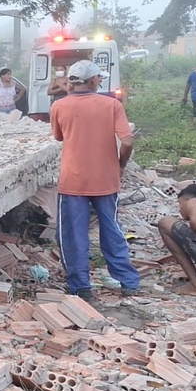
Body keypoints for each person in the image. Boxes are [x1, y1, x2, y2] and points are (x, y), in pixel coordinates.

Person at [50, 59, 139, 299]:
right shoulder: (112, 105)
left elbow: (58, 137)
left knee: (73, 234)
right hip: (106, 178)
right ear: (91, 80)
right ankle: (128, 281)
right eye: (99, 77)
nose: (100, 80)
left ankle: (81, 286)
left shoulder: (59, 105)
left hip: (73, 181)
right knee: (111, 229)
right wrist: (120, 164)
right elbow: (128, 141)